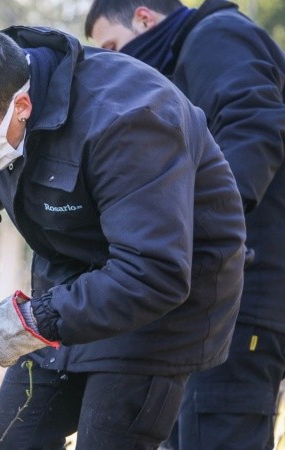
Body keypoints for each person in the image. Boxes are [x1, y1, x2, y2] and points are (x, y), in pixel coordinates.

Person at [0, 20, 246, 449]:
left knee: (108, 438)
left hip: (158, 302)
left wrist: (35, 319)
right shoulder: (1, 90)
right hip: (73, 283)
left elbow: (153, 273)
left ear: (22, 105)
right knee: (15, 437)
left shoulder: (129, 121)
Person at [85, 1, 285, 448]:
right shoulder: (178, 66)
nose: (113, 61)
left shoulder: (217, 35)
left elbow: (254, 124)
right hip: (212, 295)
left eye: (113, 46)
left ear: (144, 18)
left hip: (244, 290)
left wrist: (199, 227)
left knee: (216, 433)